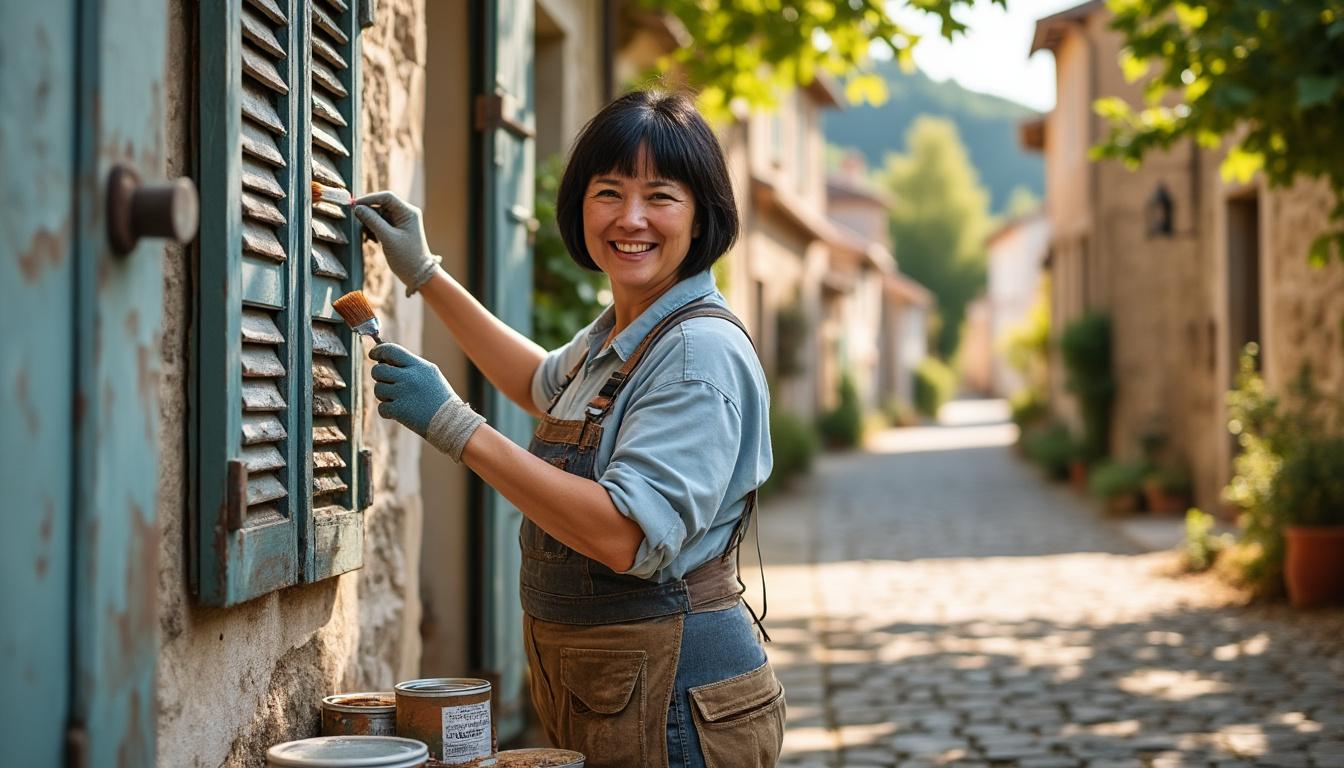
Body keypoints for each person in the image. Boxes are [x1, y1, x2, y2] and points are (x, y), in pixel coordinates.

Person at [353, 88, 784, 768]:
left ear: (702, 216)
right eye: (608, 191)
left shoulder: (695, 354)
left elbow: (621, 535)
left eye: (661, 196)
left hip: (677, 699)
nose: (630, 217)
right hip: (614, 685)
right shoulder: (627, 329)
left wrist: (453, 426)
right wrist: (425, 274)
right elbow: (538, 383)